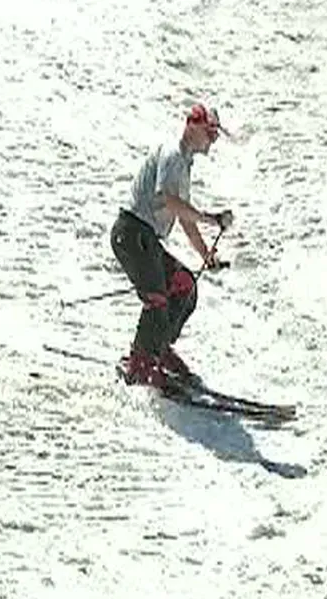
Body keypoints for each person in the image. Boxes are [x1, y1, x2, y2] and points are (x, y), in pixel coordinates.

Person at [110, 103, 235, 389]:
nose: (213, 139)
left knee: (185, 286)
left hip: (145, 239)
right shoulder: (172, 154)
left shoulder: (184, 162)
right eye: (210, 132)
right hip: (132, 234)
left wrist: (206, 255)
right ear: (192, 126)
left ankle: (159, 349)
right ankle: (139, 364)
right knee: (156, 299)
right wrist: (210, 218)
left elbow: (183, 216)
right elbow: (168, 200)